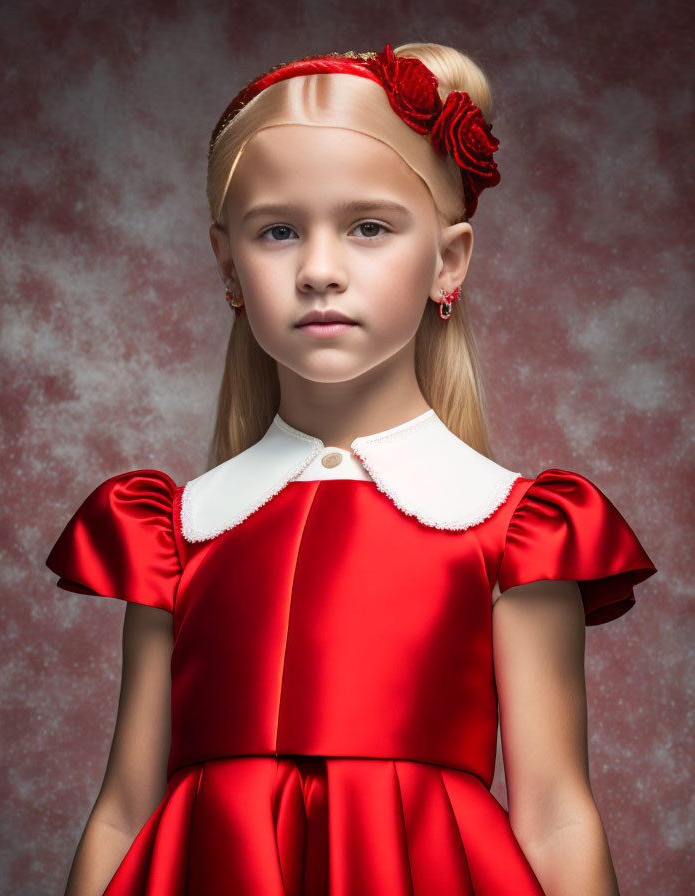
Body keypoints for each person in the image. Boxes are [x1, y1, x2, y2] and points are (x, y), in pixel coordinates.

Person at [46, 42, 657, 896]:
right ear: (228, 266)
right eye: (278, 230)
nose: (320, 270)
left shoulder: (516, 527)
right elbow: (124, 806)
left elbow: (556, 812)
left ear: (449, 261)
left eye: (368, 227)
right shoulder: (174, 529)